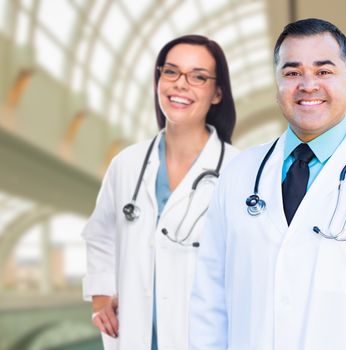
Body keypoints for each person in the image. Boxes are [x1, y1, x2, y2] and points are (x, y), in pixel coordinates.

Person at [189, 18, 346, 350]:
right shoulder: (239, 175)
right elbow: (209, 301)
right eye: (292, 72)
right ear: (277, 83)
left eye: (324, 71)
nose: (308, 84)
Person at [82, 35, 239, 350]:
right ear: (158, 81)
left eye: (198, 77)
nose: (181, 84)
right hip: (133, 336)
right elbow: (100, 235)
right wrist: (100, 297)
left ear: (217, 93)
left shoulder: (239, 171)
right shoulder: (127, 163)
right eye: (171, 72)